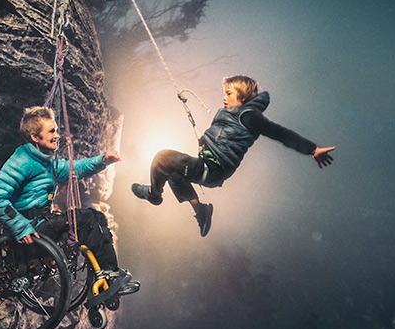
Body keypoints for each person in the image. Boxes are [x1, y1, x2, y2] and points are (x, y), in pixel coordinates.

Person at [132, 75, 335, 237]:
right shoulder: (232, 114)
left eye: (229, 93)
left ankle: (153, 195)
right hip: (208, 167)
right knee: (175, 174)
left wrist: (312, 149)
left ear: (243, 97)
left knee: (163, 158)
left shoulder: (248, 116)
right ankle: (201, 211)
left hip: (213, 169)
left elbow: (280, 133)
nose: (224, 97)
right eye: (224, 93)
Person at [0, 106, 139, 295]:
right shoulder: (22, 160)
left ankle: (107, 276)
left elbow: (74, 169)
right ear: (35, 137)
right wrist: (20, 227)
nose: (57, 135)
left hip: (43, 223)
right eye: (51, 131)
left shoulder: (47, 161)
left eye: (56, 130)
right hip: (31, 229)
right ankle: (108, 273)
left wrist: (103, 160)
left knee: (94, 219)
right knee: (90, 218)